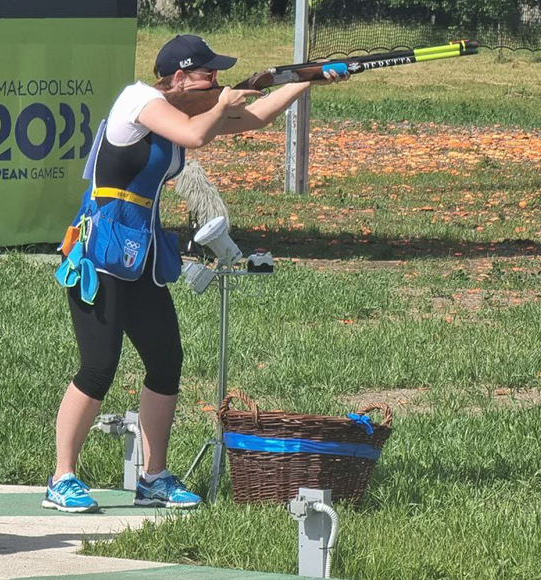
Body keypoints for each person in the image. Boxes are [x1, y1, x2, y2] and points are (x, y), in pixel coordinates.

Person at [45, 34, 348, 513]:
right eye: (209, 74)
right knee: (99, 365)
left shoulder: (187, 112)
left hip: (140, 257)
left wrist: (309, 79)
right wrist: (222, 103)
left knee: (166, 361)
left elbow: (258, 116)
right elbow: (195, 136)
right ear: (181, 77)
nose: (218, 81)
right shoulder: (139, 98)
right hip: (98, 253)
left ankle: (154, 476)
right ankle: (61, 478)